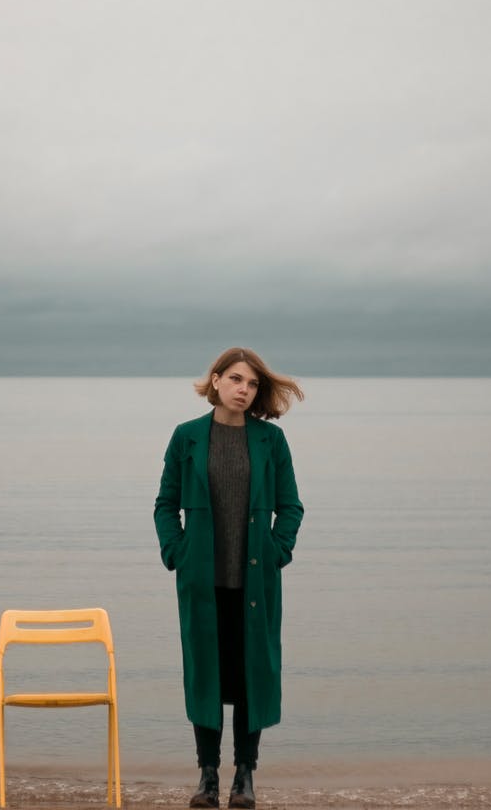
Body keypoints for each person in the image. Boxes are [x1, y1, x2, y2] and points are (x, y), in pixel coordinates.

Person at [153, 347, 305, 810]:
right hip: (202, 582)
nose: (245, 389)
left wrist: (278, 550)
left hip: (256, 585)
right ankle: (206, 777)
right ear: (216, 380)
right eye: (237, 379)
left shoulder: (270, 442)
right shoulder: (187, 438)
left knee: (250, 677)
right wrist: (176, 551)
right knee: (206, 677)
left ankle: (244, 776)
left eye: (253, 384)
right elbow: (165, 504)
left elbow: (291, 507)